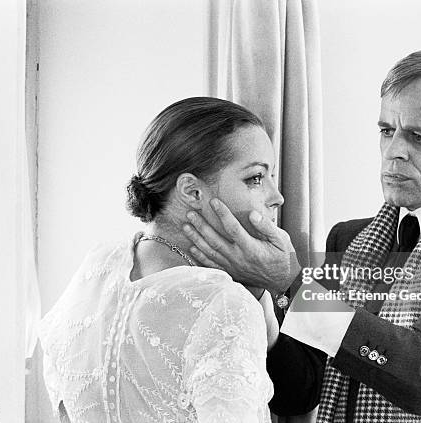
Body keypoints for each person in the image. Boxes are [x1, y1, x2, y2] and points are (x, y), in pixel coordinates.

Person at [181, 48, 421, 422]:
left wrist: (290, 282)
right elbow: (303, 394)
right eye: (387, 131)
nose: (394, 152)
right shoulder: (349, 239)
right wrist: (260, 300)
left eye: (420, 138)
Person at [38, 97, 284, 423]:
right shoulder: (223, 301)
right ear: (192, 192)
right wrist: (285, 278)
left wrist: (266, 289)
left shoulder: (94, 269)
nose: (276, 197)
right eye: (256, 178)